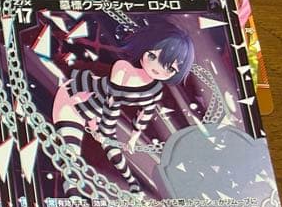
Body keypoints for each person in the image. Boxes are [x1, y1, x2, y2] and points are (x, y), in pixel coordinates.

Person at [52, 20, 195, 192]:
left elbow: (144, 115)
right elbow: (112, 101)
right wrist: (103, 131)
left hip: (97, 114)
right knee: (71, 155)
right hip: (73, 99)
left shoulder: (154, 91)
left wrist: (133, 138)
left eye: (169, 69)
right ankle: (73, 198)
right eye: (152, 56)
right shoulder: (123, 68)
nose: (157, 68)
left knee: (113, 150)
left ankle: (133, 185)